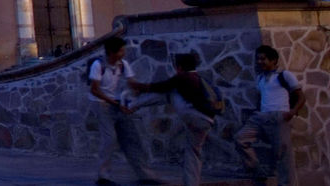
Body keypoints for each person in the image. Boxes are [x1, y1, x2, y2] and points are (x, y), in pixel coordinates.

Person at [88, 37, 160, 186]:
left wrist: (147, 88)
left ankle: (145, 175)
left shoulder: (123, 64)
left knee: (131, 138)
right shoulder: (98, 65)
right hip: (101, 103)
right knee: (109, 139)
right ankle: (103, 177)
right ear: (112, 52)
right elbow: (94, 90)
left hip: (116, 102)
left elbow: (131, 82)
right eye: (121, 50)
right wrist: (113, 102)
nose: (123, 52)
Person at [142, 52, 218, 186]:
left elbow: (161, 87)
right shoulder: (199, 79)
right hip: (207, 121)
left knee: (169, 93)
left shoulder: (183, 78)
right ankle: (191, 183)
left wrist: (138, 87)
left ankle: (131, 105)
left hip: (192, 116)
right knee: (193, 152)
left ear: (180, 67)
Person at [235, 45, 305, 185]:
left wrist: (291, 112)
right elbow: (262, 97)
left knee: (283, 156)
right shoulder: (260, 78)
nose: (260, 62)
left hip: (278, 116)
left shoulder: (284, 75)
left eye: (263, 59)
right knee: (240, 139)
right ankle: (257, 171)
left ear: (273, 60)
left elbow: (301, 96)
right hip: (261, 117)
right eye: (258, 59)